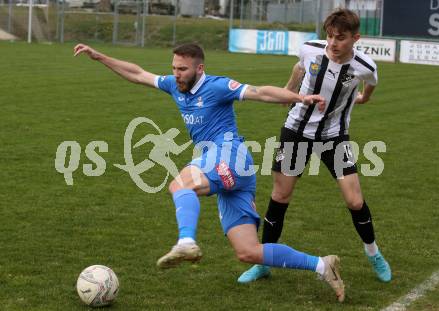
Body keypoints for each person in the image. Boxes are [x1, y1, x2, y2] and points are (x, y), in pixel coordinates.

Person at [74, 42, 345, 302]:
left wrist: (300, 97)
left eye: (183, 69)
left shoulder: (217, 86)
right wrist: (99, 57)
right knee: (248, 251)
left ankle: (186, 241)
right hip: (225, 165)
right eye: (174, 68)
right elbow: (138, 74)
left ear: (199, 69)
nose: (176, 74)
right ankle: (322, 265)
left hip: (229, 154)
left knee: (180, 185)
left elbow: (260, 92)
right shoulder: (174, 86)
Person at [238, 8, 392, 284]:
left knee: (355, 200)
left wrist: (363, 99)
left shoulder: (364, 67)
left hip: (334, 137)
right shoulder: (310, 49)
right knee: (280, 196)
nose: (333, 43)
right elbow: (299, 67)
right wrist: (289, 89)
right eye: (330, 36)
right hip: (296, 131)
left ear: (355, 38)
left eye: (341, 38)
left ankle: (373, 253)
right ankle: (263, 262)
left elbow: (370, 85)